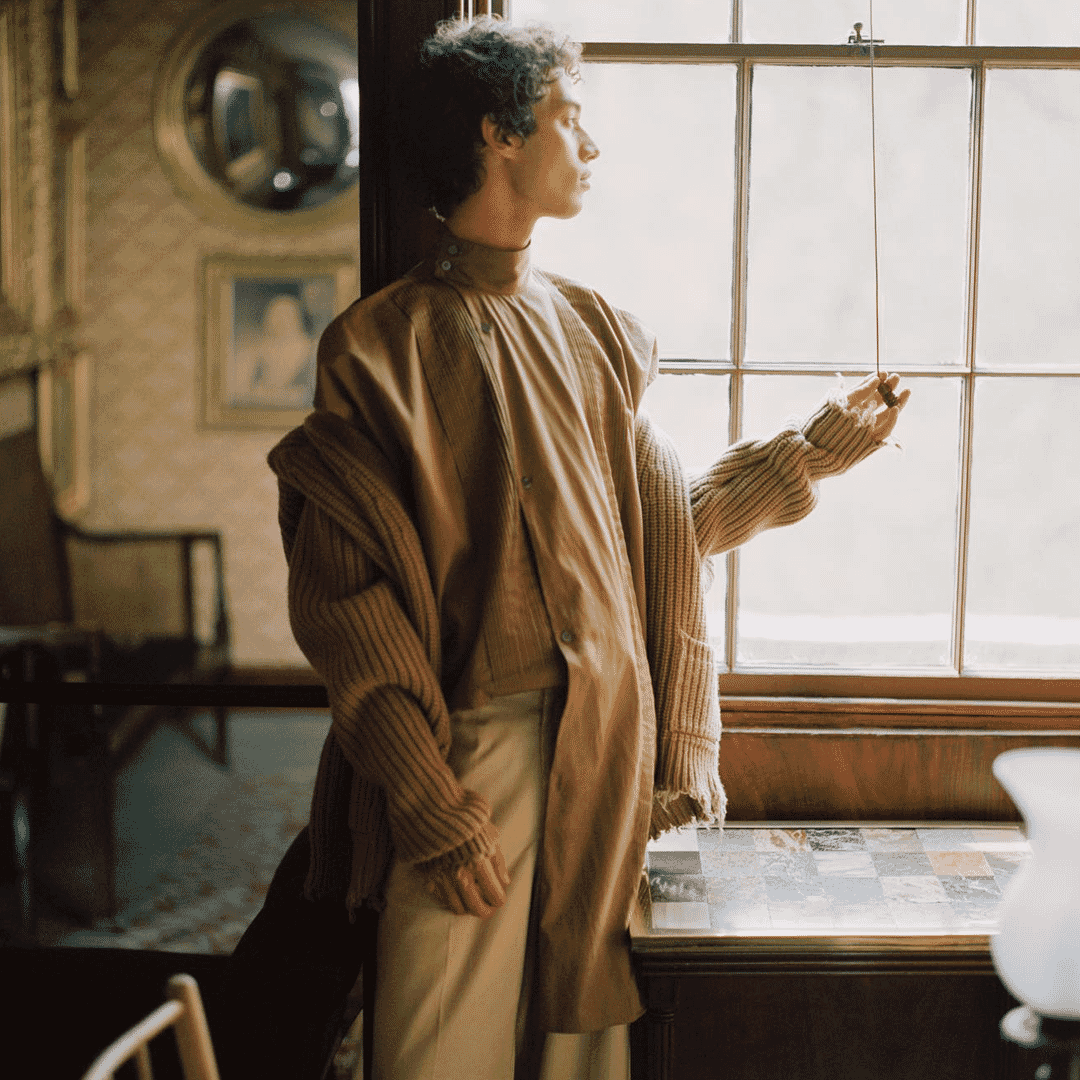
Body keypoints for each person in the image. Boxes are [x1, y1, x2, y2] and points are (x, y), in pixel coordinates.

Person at [265, 15, 910, 1080]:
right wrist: (430, 803)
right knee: (436, 1052)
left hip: (610, 750)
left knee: (583, 1058)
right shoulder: (379, 351)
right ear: (500, 134)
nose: (594, 148)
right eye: (573, 120)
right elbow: (350, 611)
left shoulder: (597, 332)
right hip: (469, 762)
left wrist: (820, 448)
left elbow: (654, 549)